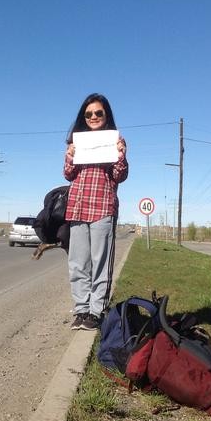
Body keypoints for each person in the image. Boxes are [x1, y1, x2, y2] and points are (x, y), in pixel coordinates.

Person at [63, 93, 128, 331]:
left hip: (102, 207)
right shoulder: (75, 142)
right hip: (78, 207)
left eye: (98, 113)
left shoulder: (116, 140)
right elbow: (68, 175)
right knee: (78, 263)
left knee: (100, 263)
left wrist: (121, 154)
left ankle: (96, 311)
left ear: (106, 115)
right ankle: (80, 310)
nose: (93, 117)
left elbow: (120, 175)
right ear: (83, 116)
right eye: (88, 113)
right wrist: (70, 157)